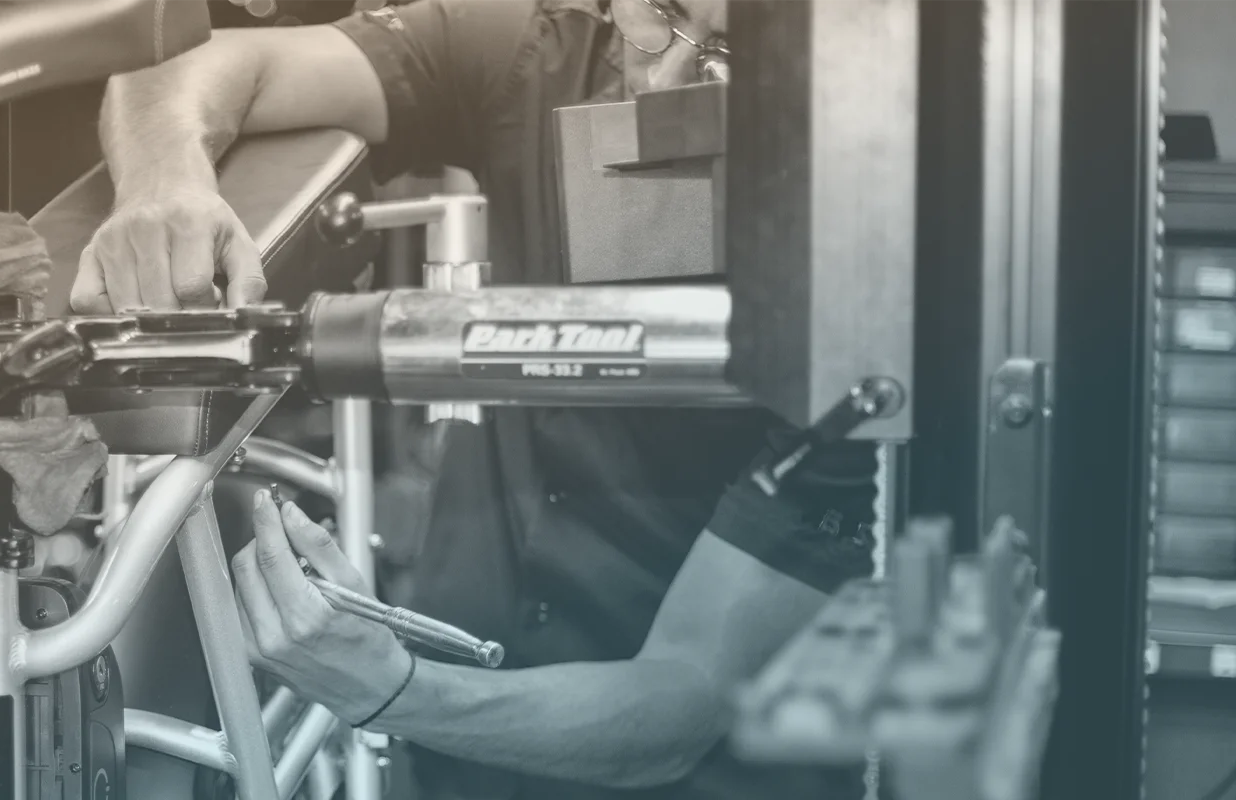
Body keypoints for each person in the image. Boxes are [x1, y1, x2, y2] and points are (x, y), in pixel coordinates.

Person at [72, 0, 881, 797]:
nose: (662, 77)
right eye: (658, 13)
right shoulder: (541, 58)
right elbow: (200, 65)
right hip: (449, 746)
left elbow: (682, 700)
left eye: (725, 56)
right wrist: (162, 184)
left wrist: (395, 690)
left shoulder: (865, 295)